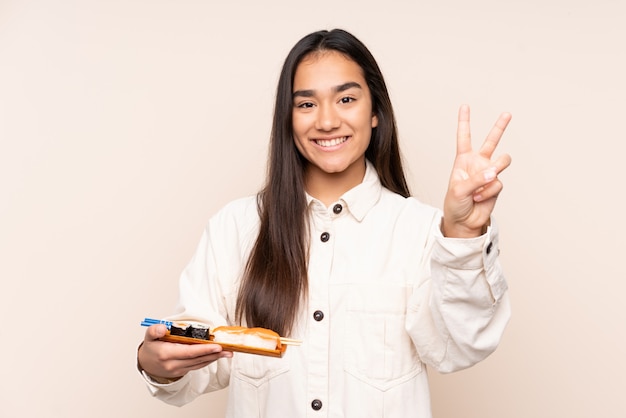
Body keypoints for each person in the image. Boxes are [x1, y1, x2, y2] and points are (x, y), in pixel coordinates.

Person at [137, 28, 512, 417]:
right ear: (288, 118)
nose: (328, 121)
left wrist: (464, 234)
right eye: (306, 105)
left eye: (346, 99)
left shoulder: (421, 231)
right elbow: (195, 362)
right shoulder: (235, 227)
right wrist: (157, 363)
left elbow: (459, 346)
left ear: (375, 112)